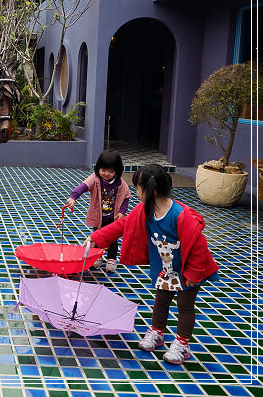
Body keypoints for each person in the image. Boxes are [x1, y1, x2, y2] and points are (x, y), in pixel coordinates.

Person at [83, 164, 219, 365]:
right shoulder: (146, 209)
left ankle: (182, 344)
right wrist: (97, 237)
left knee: (185, 305)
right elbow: (123, 224)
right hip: (167, 269)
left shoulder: (180, 215)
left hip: (188, 268)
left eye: (137, 187)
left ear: (150, 190)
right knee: (161, 300)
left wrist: (194, 273)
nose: (135, 192)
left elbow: (199, 245)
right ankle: (157, 333)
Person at [64, 151, 130, 272]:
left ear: (117, 171)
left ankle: (111, 259)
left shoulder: (120, 183)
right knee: (96, 238)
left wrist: (122, 211)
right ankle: (98, 257)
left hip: (113, 218)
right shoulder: (95, 179)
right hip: (98, 217)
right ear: (98, 168)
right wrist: (73, 196)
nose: (107, 174)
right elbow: (83, 186)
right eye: (103, 170)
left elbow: (126, 197)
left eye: (111, 171)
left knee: (112, 239)